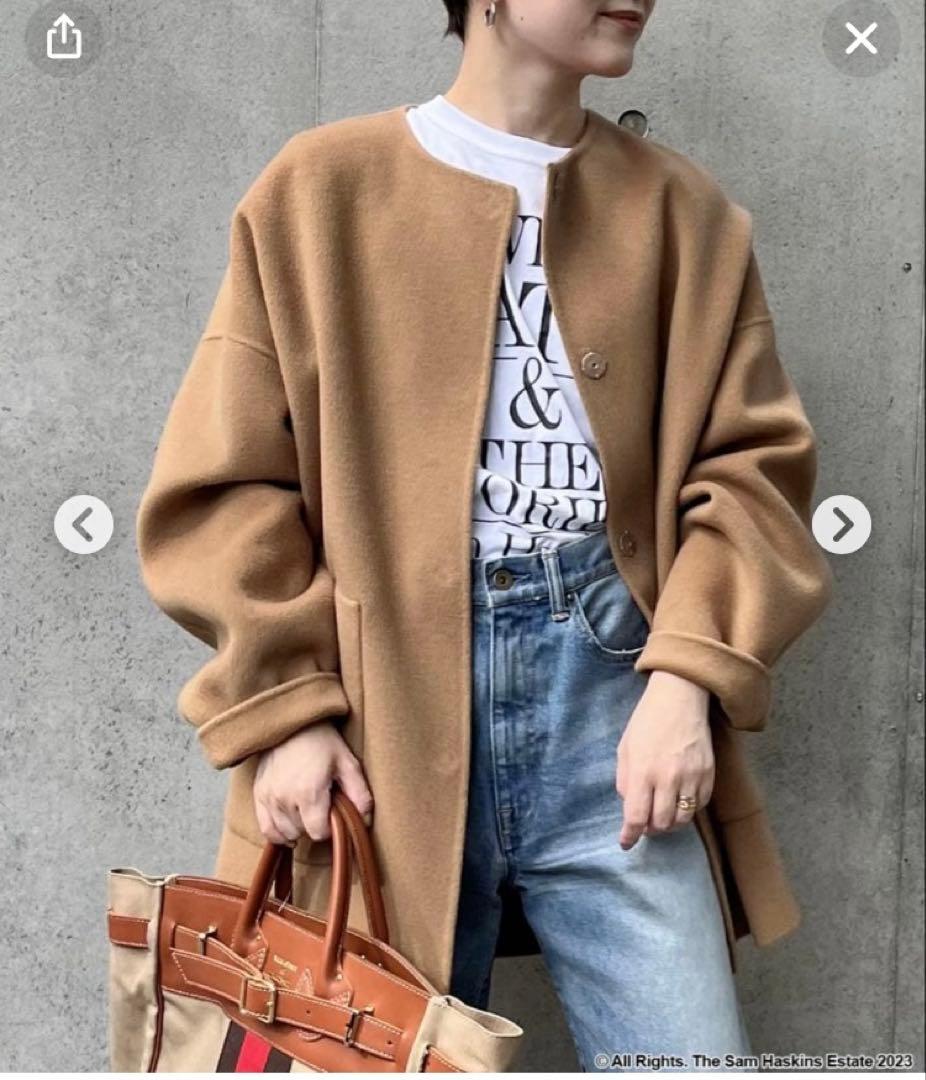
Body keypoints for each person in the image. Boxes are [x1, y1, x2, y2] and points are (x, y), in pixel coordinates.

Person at [136, 0, 833, 1070]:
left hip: (615, 702)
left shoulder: (684, 213)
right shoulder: (320, 190)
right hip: (378, 714)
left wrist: (687, 680)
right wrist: (284, 709)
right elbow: (225, 484)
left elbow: (751, 474)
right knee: (365, 1052)